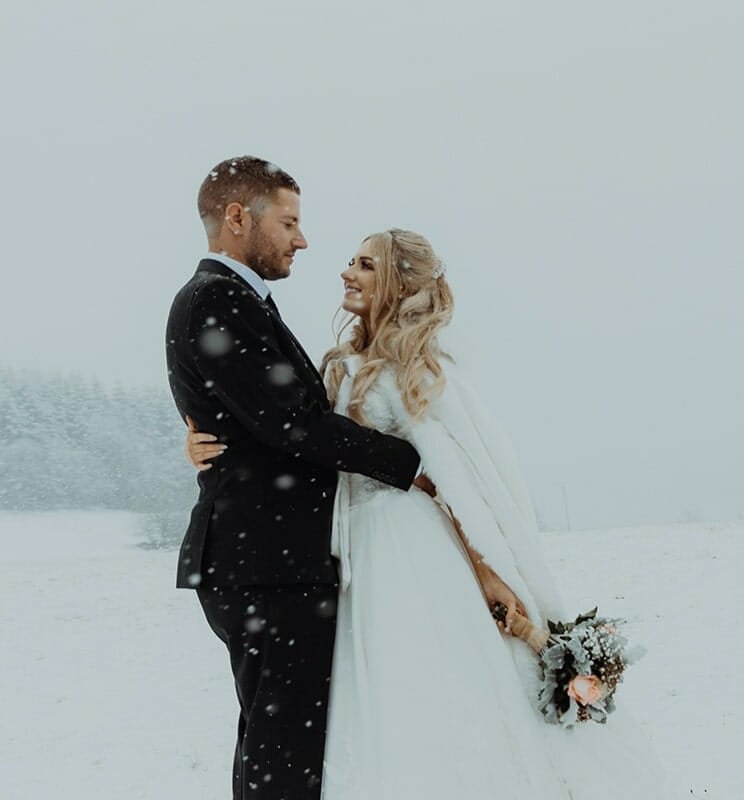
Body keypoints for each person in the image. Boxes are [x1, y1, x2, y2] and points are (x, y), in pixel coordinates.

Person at [185, 228, 673, 798]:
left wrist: (486, 568)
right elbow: (292, 427)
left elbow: (455, 480)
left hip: (409, 552)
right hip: (344, 553)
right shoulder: (340, 365)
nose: (347, 272)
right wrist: (202, 443)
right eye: (351, 261)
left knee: (421, 689)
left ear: (398, 282)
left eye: (365, 265)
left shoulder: (418, 370)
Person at [166, 157, 528, 800]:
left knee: (287, 743)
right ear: (237, 218)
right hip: (268, 560)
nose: (304, 241)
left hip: (291, 556)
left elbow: (262, 415)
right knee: (281, 749)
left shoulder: (239, 302)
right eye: (290, 222)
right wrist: (409, 467)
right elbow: (291, 422)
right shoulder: (218, 297)